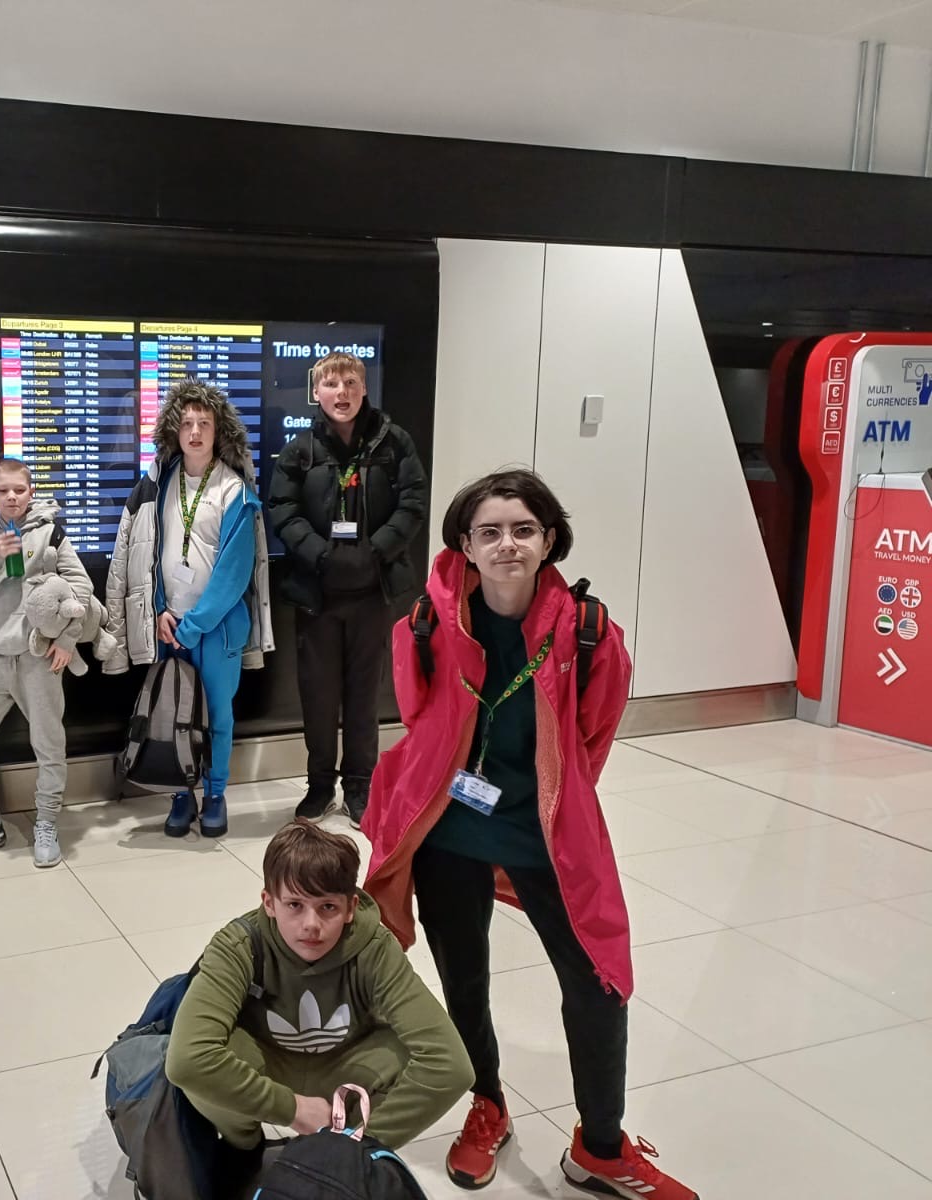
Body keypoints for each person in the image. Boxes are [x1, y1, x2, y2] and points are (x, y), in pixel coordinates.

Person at [361, 470, 697, 1200]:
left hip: (547, 835)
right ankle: (487, 1103)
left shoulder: (589, 632)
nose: (506, 544)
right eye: (489, 531)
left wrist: (546, 799)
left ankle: (600, 1148)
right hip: (449, 832)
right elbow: (420, 715)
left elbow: (591, 736)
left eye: (523, 529)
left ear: (549, 540)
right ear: (465, 544)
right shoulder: (425, 623)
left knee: (598, 982)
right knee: (464, 979)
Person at [166, 819, 471, 1171]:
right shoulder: (239, 945)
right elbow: (186, 1060)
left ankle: (349, 1154)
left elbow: (452, 1066)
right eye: (295, 905)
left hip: (347, 1062)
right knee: (203, 1062)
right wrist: (291, 1108)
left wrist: (360, 1147)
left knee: (408, 1056)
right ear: (269, 903)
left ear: (351, 907)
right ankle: (243, 1149)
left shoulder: (375, 948)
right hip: (264, 1058)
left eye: (328, 907)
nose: (311, 924)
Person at [104, 379, 273, 838]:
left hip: (217, 629)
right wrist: (160, 608)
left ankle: (215, 795)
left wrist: (194, 626)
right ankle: (181, 793)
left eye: (205, 423)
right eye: (186, 424)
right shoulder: (158, 485)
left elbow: (234, 572)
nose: (195, 432)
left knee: (217, 716)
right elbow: (147, 552)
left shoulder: (235, 491)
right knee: (173, 713)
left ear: (220, 431)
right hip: (168, 625)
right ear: (173, 431)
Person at [268, 351, 426, 828]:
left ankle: (360, 787)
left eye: (351, 383)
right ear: (316, 392)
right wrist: (319, 553)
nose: (342, 393)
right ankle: (320, 786)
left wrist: (375, 550)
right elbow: (282, 510)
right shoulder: (299, 449)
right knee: (318, 697)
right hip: (316, 593)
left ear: (364, 389)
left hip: (372, 590)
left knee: (363, 697)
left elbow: (413, 502)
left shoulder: (394, 442)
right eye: (332, 384)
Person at [0, 460, 91, 868]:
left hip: (38, 656)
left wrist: (66, 638)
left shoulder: (52, 535)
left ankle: (46, 822)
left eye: (19, 490)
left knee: (49, 744)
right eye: (3, 490)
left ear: (30, 492)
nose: (12, 497)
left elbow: (81, 587)